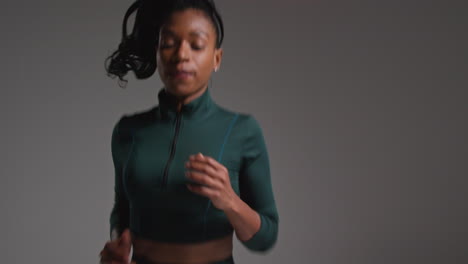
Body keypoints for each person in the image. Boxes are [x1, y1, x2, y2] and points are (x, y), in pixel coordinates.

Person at [99, 0, 279, 263]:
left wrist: (230, 201)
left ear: (216, 58)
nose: (182, 55)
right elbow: (122, 209)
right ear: (157, 52)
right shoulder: (128, 131)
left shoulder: (242, 131)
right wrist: (118, 245)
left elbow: (267, 236)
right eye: (169, 43)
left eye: (196, 45)